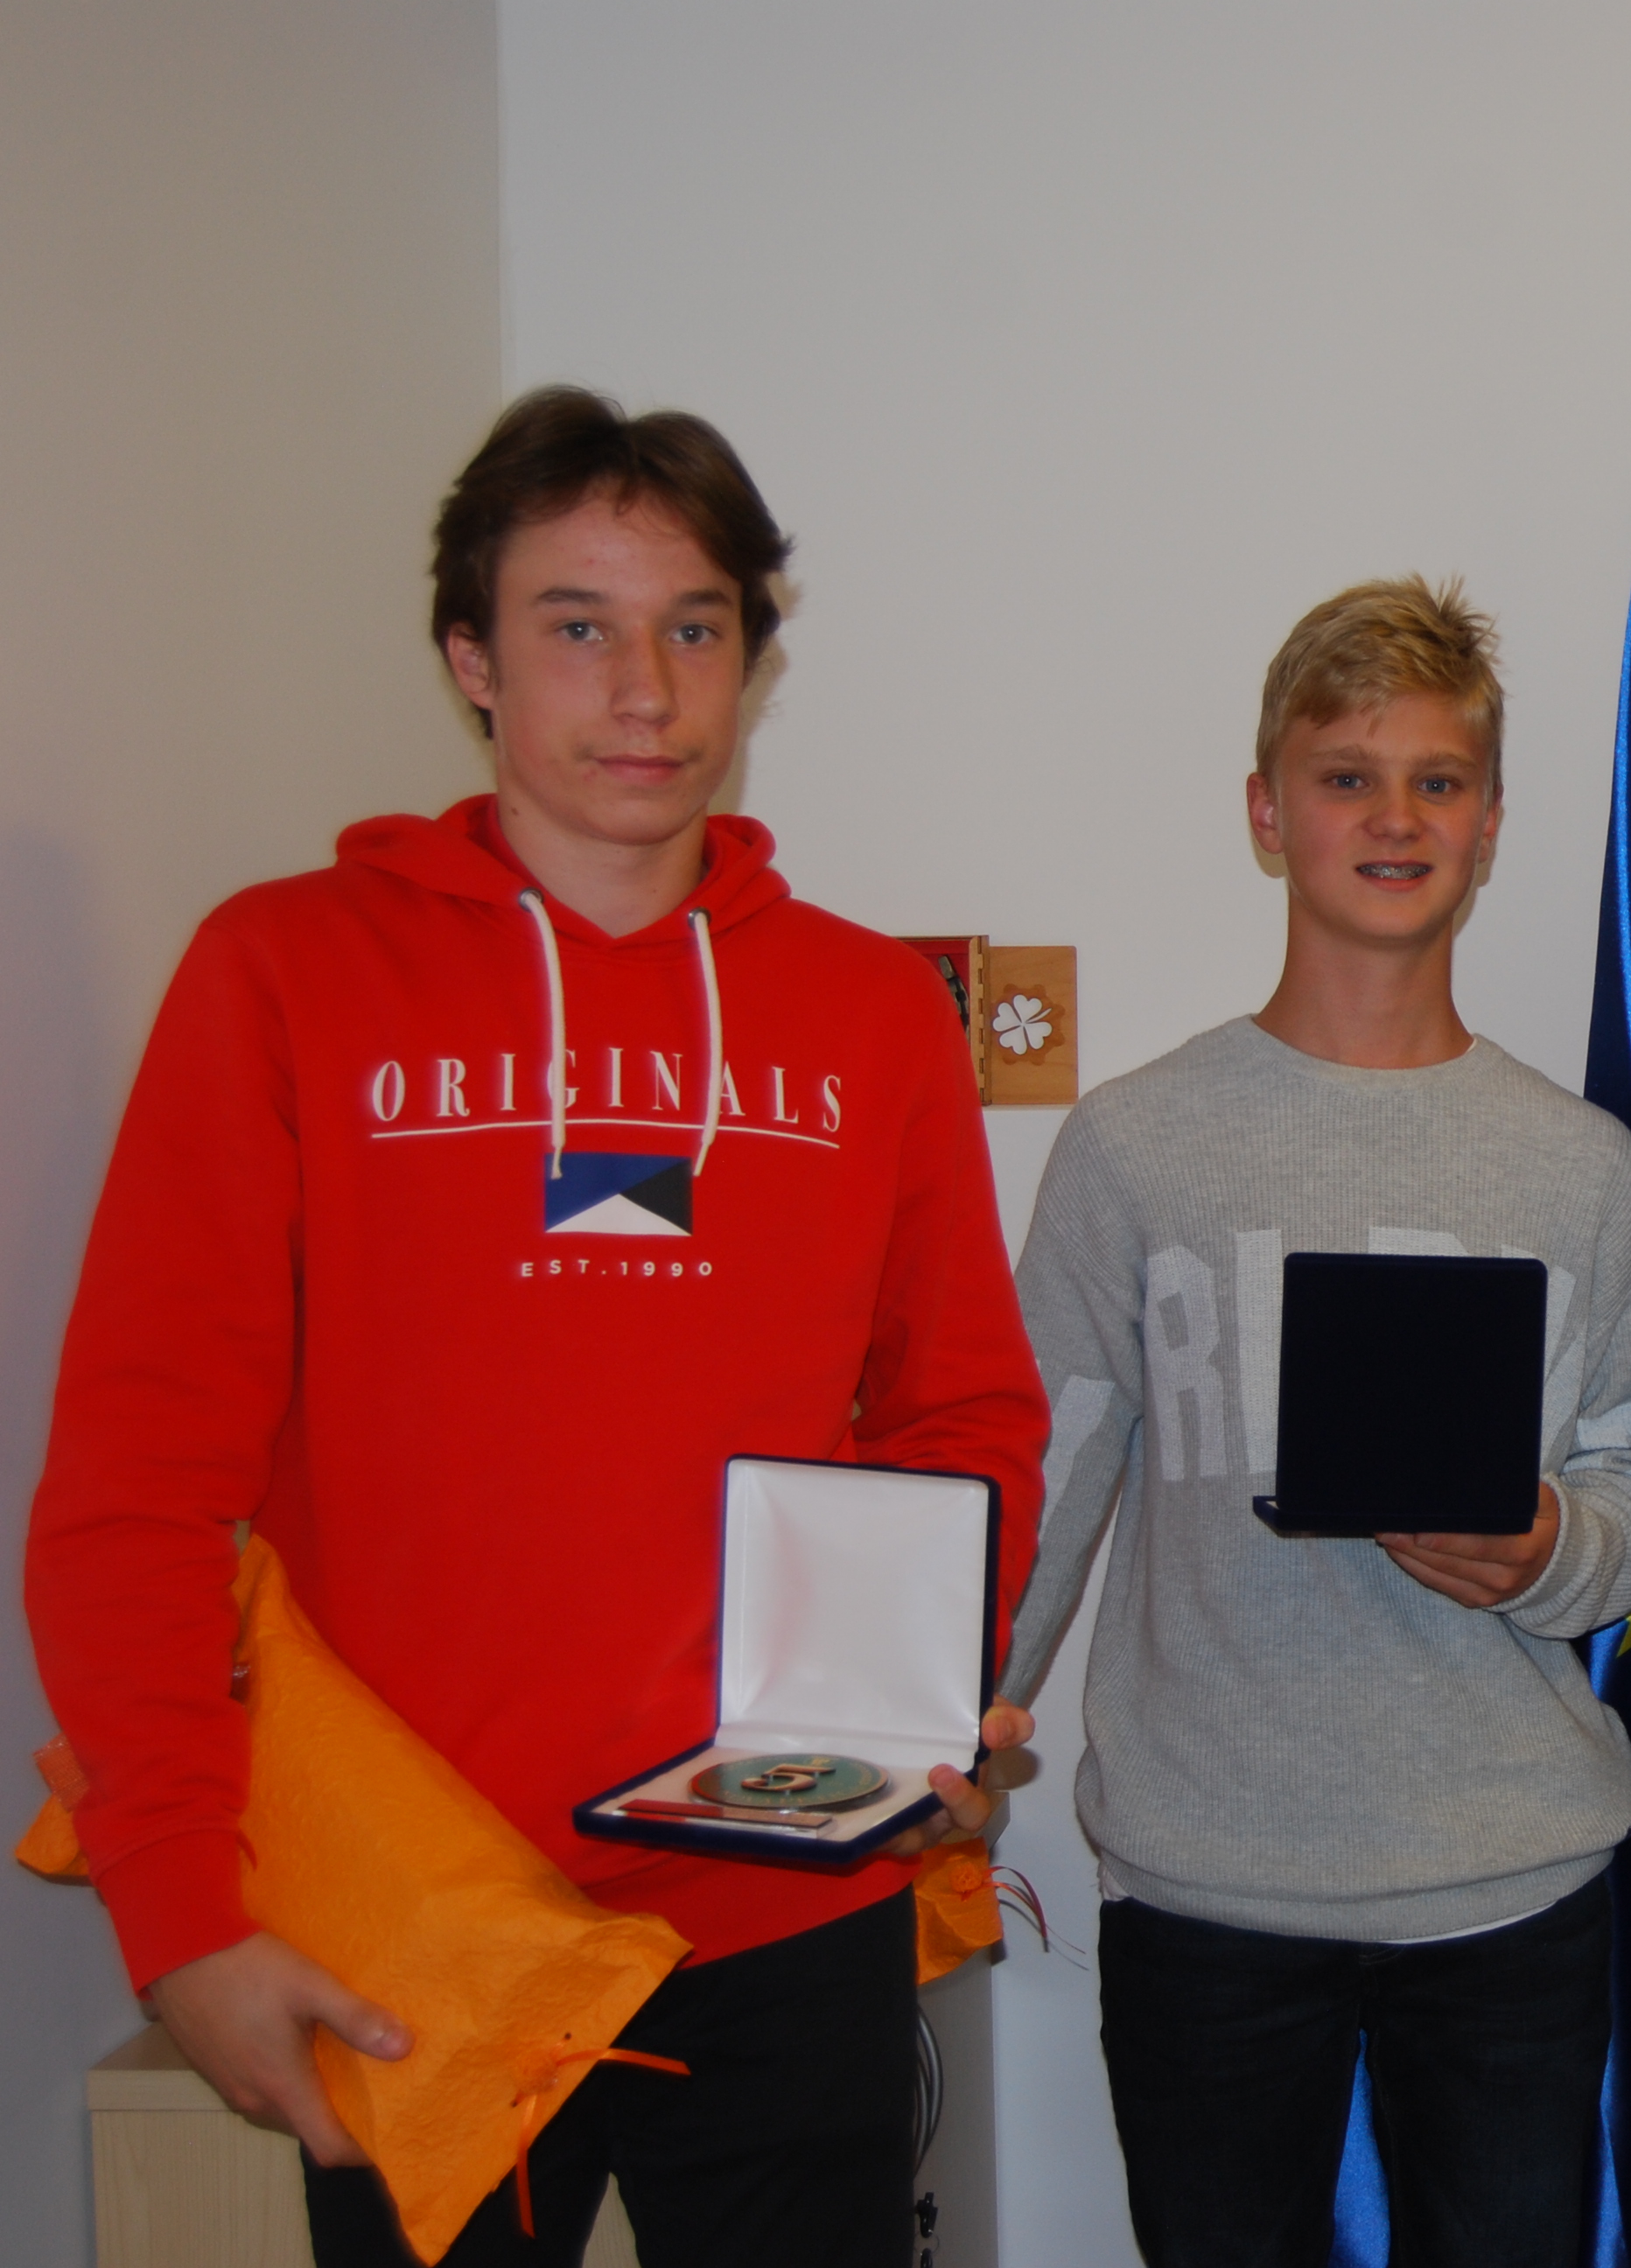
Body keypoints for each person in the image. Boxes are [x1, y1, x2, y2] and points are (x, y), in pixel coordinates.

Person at [22, 387, 1048, 2266]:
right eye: (578, 626)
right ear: (471, 661)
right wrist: (178, 1919)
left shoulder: (870, 1015)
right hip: (421, 1927)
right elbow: (136, 1485)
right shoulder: (282, 974)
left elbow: (963, 1416)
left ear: (752, 663)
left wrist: (916, 1703)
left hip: (790, 1907)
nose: (644, 690)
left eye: (695, 627)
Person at [997, 578, 1631, 2268]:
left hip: (1512, 1886)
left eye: (1439, 781)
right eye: (1347, 777)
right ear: (1267, 811)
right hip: (1206, 1891)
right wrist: (959, 1717)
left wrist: (1550, 1552)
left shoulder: (1583, 1167)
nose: (1396, 818)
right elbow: (1037, 1477)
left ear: (1492, 823)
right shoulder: (1135, 1145)